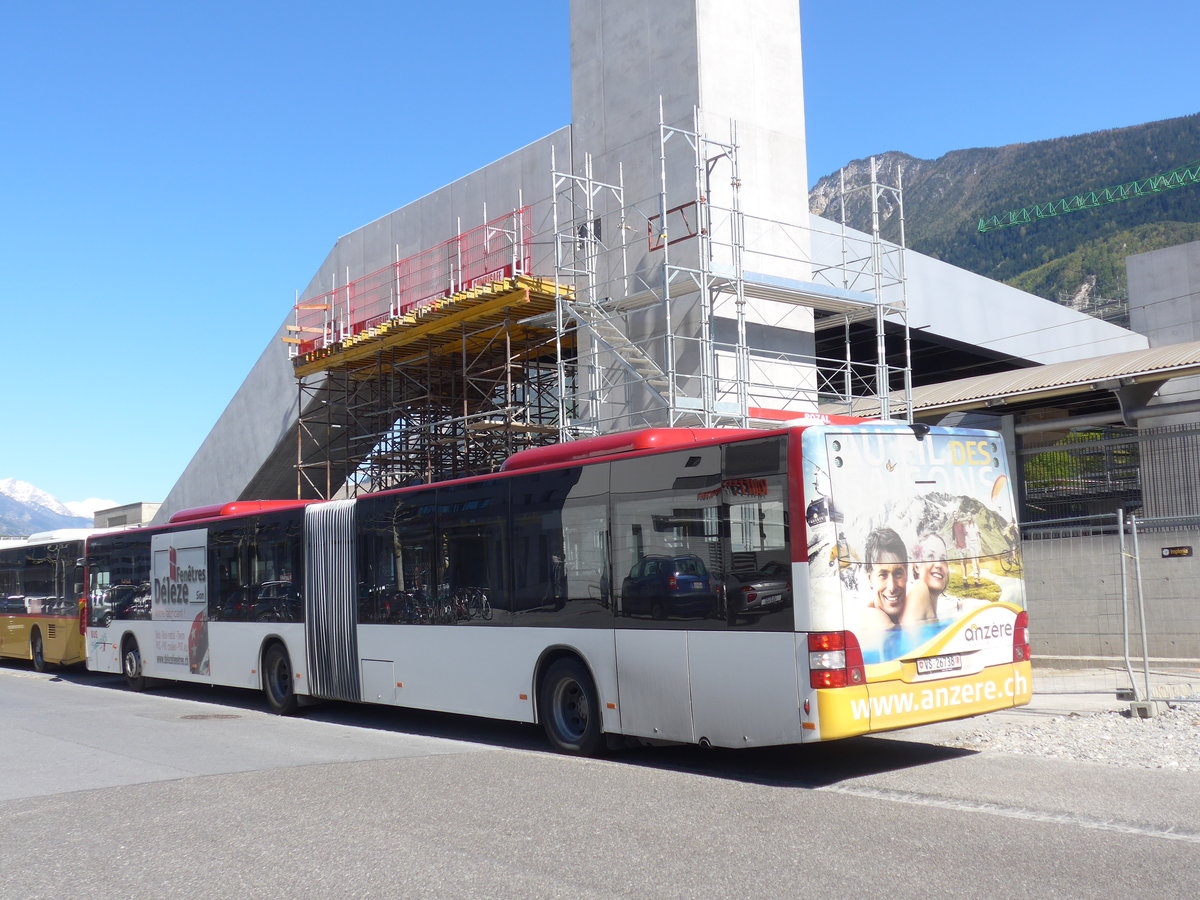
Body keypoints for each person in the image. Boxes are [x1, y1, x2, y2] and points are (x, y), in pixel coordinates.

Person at [862, 526, 908, 628]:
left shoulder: (914, 608)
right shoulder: (871, 619)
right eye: (883, 575)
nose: (892, 587)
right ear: (870, 579)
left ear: (907, 573)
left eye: (898, 573)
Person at [907, 532, 956, 619]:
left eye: (942, 559)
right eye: (930, 556)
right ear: (917, 566)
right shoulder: (913, 597)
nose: (938, 564)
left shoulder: (949, 608)